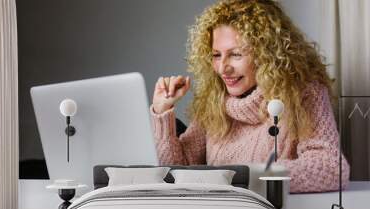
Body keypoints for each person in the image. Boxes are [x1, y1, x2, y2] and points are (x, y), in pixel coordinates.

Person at [150, 0, 350, 193]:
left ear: (267, 54)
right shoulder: (214, 99)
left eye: (236, 54)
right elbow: (177, 171)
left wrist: (251, 177)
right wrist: (162, 112)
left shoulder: (304, 94)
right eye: (216, 55)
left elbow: (331, 167)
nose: (223, 68)